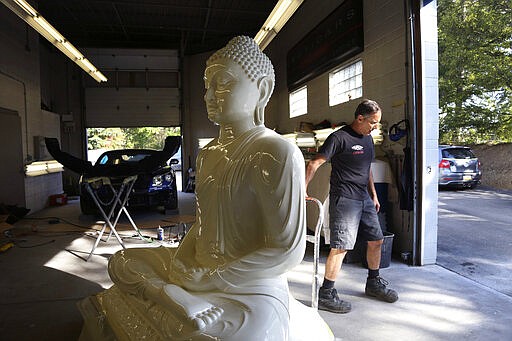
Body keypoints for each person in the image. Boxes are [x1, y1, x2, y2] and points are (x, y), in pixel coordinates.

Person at [92, 36, 326, 340]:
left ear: (263, 89)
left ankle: (172, 301)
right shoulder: (207, 154)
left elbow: (287, 250)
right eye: (206, 86)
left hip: (248, 286)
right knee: (121, 261)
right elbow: (203, 224)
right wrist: (180, 262)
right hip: (196, 271)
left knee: (238, 334)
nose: (209, 95)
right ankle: (168, 297)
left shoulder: (275, 152)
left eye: (223, 83)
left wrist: (214, 278)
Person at [305, 99, 399, 314]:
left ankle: (373, 283)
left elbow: (367, 170)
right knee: (342, 246)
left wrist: (374, 196)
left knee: (376, 240)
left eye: (377, 122)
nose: (375, 127)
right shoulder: (339, 137)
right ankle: (326, 294)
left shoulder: (368, 140)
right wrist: (303, 189)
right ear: (360, 118)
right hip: (344, 199)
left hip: (364, 198)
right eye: (373, 122)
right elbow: (314, 163)